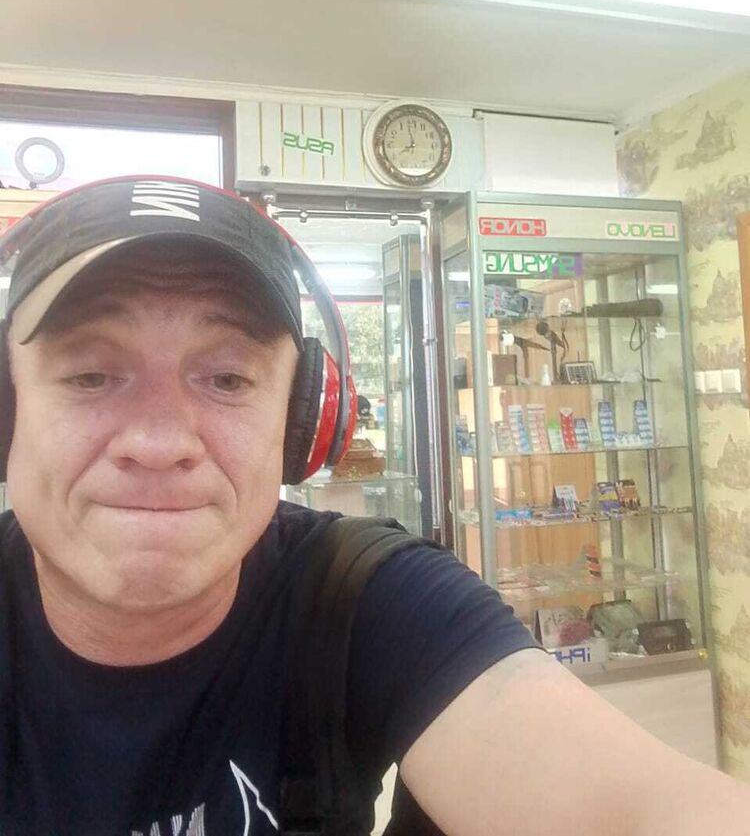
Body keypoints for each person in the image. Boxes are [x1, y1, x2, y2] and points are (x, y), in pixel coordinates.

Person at [0, 175, 748, 836]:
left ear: (304, 420)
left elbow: (641, 806)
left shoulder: (368, 598)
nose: (160, 443)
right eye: (90, 375)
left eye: (227, 379)